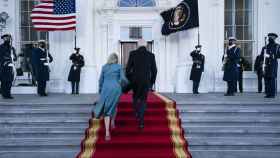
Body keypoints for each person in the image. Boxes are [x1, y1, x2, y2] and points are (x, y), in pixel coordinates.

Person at [92, 53, 128, 141]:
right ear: (116, 59)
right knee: (114, 105)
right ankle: (112, 121)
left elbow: (101, 80)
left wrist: (100, 90)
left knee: (106, 109)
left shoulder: (104, 67)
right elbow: (123, 79)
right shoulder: (119, 66)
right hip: (116, 88)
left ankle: (107, 132)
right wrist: (123, 85)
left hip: (106, 88)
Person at [126, 39, 157, 130]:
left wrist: (130, 79)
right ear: (146, 45)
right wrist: (152, 82)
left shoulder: (132, 53)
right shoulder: (151, 55)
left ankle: (136, 111)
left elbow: (128, 69)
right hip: (146, 81)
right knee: (143, 99)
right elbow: (154, 71)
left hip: (135, 80)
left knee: (135, 96)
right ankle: (141, 122)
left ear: (138, 45)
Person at [261, 33, 280, 98]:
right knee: (266, 79)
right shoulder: (265, 47)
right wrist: (263, 56)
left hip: (273, 64)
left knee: (272, 78)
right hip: (266, 64)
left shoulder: (277, 46)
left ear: (275, 38)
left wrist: (271, 56)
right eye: (269, 37)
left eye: (271, 37)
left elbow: (278, 55)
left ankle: (272, 94)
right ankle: (268, 93)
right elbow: (261, 56)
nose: (270, 38)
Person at [0, 34, 17, 99]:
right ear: (3, 39)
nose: (7, 39)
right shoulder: (1, 47)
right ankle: (4, 94)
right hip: (3, 67)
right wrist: (7, 60)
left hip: (10, 67)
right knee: (4, 81)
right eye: (6, 38)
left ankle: (8, 94)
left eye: (8, 38)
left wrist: (14, 57)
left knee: (9, 81)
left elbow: (15, 58)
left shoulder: (12, 48)